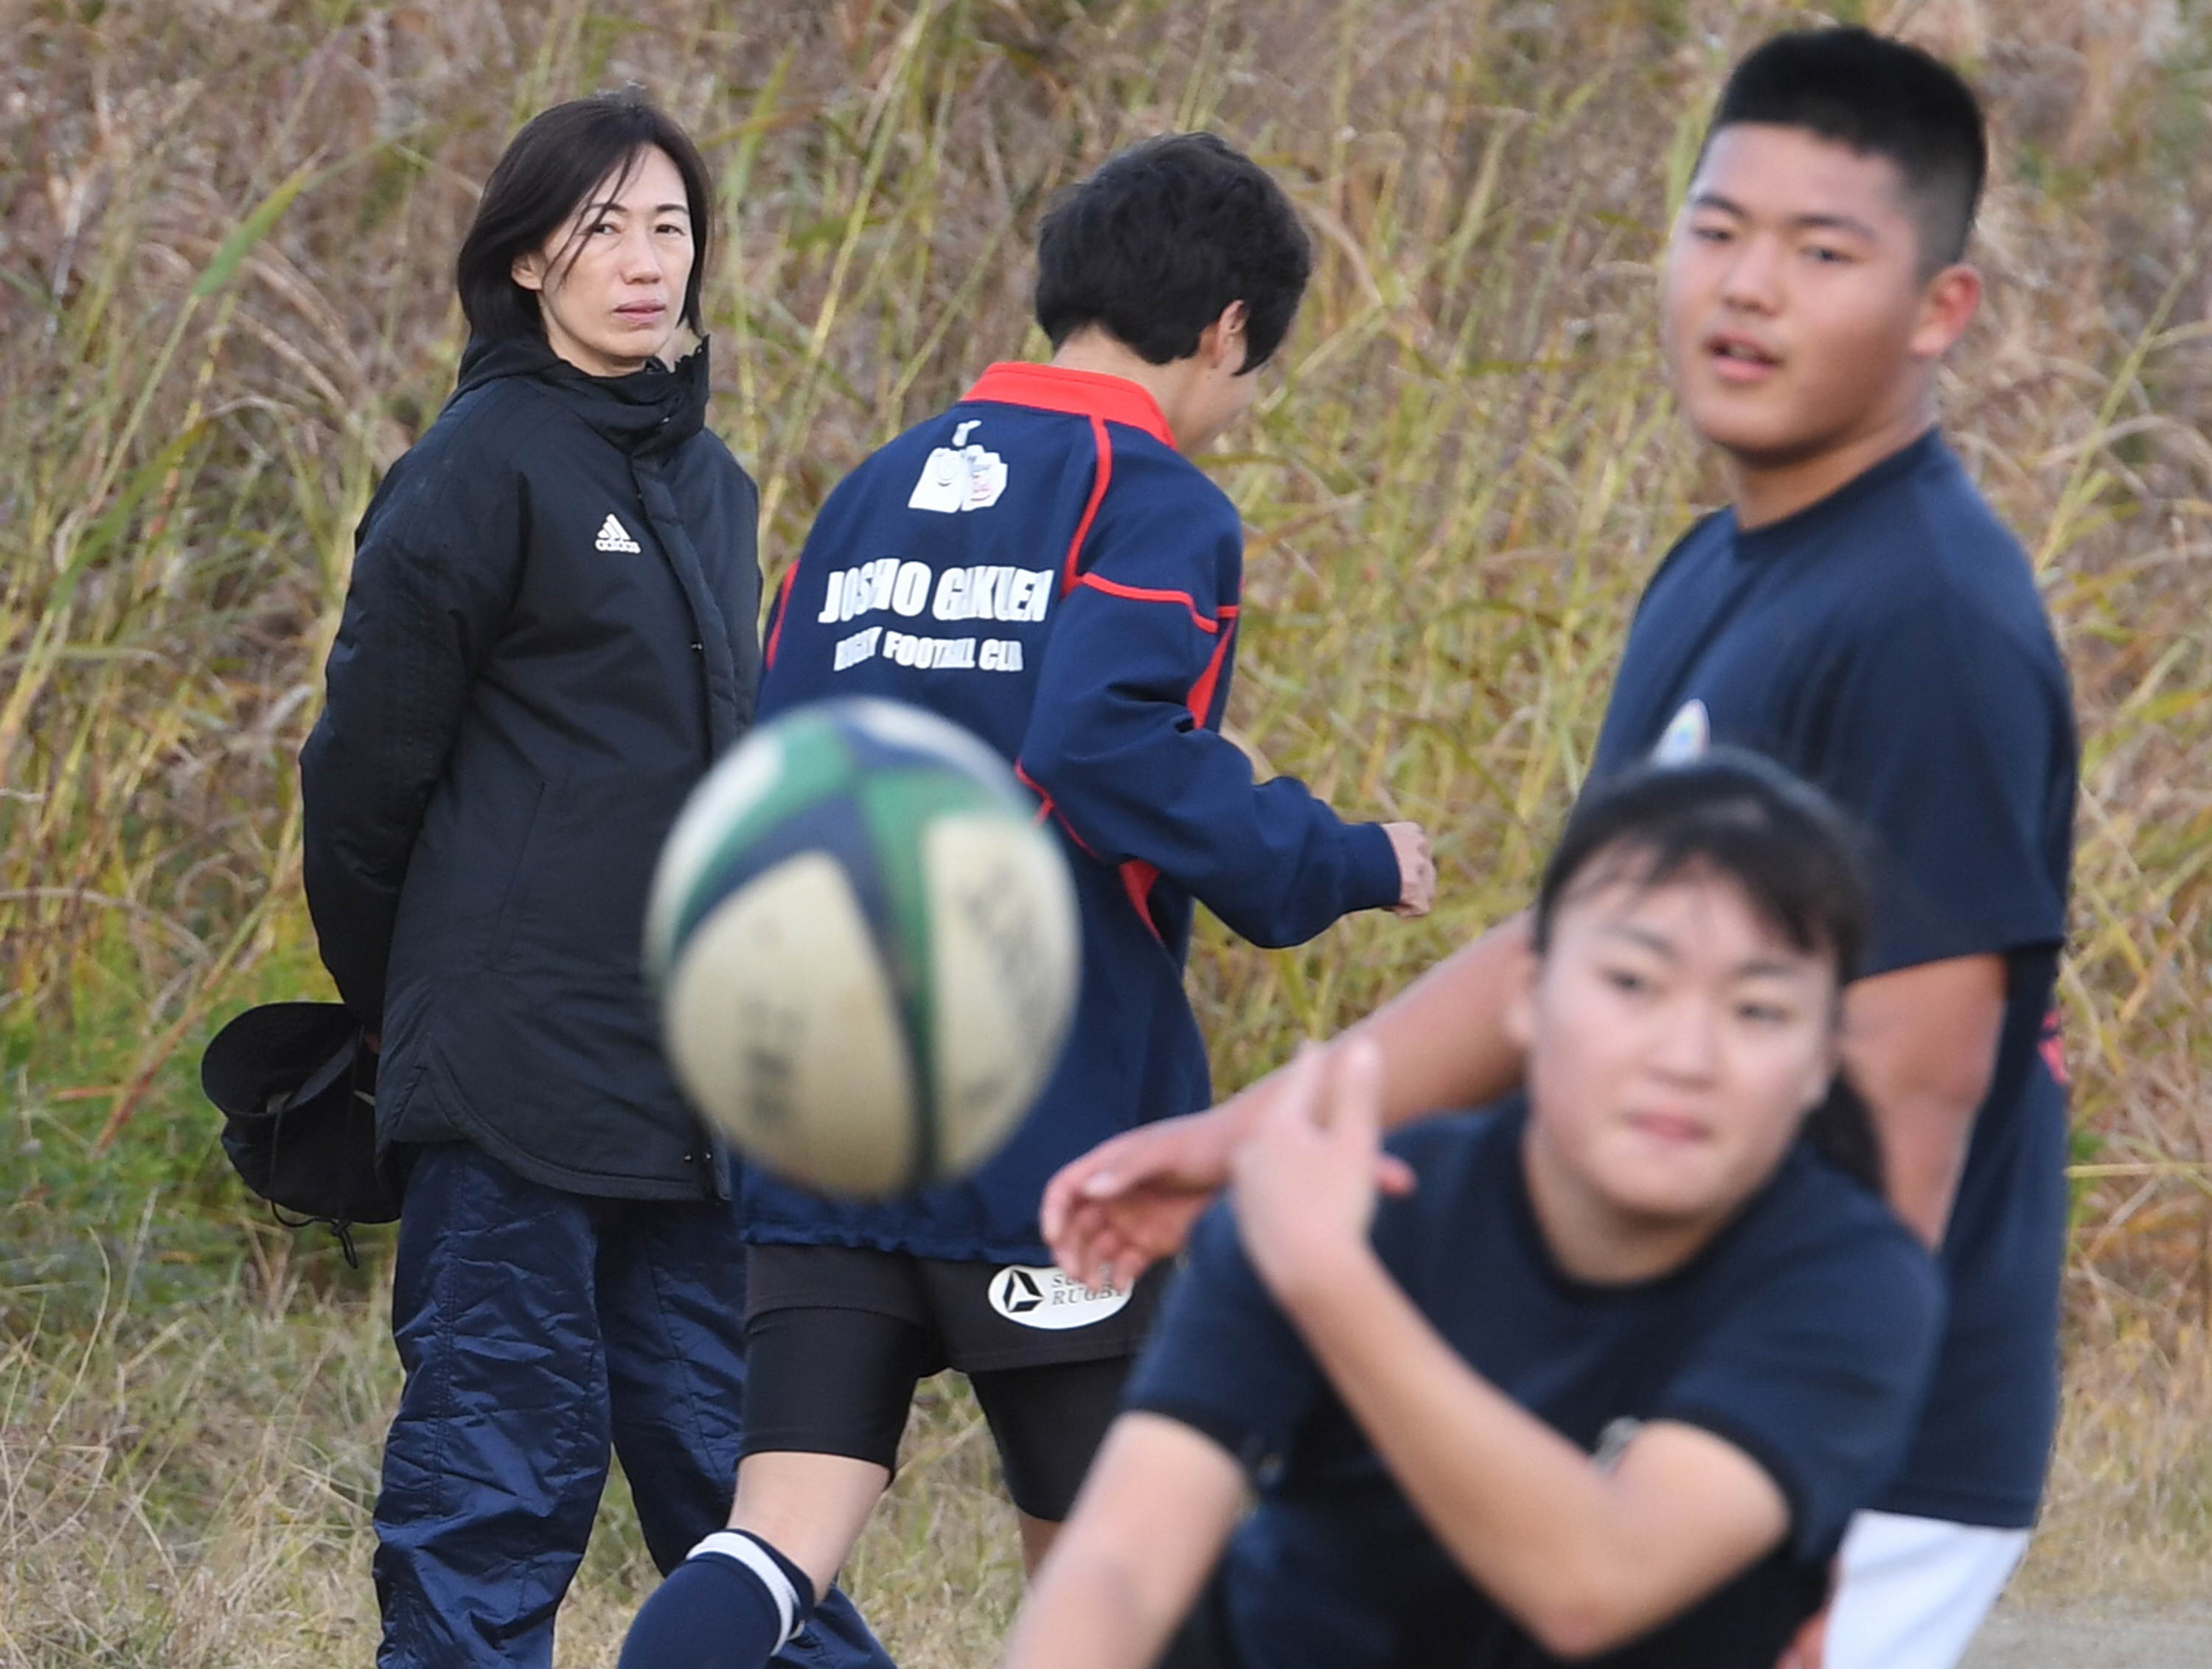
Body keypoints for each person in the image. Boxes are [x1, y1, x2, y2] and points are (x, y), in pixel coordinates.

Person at [1043, 29, 2077, 1669]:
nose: (1750, 289)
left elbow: (1914, 1087)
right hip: (1645, 1393)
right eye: (1718, 230)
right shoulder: (1717, 569)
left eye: (1824, 253)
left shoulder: (1929, 618)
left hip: (1826, 1437)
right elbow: (1561, 957)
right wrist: (1239, 1139)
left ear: (1937, 310)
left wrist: (1822, 1543)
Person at [616, 131, 1435, 1669]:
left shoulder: (864, 496)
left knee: (776, 1534)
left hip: (827, 1112)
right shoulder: (1158, 501)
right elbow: (1102, 748)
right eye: (1256, 377)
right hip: (1045, 1133)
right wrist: (1342, 858)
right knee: (1118, 1575)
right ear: (1229, 333)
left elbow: (787, 759)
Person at [299, 93, 891, 1669]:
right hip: (512, 1063)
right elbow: (364, 778)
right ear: (523, 259)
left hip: (689, 1068)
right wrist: (396, 1008)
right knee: (499, 1472)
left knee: (737, 1469)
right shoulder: (477, 465)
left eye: (670, 226)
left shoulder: (714, 484)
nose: (642, 262)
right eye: (602, 227)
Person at [1005, 751, 1945, 1669]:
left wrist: (1331, 1279)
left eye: (1758, 1010)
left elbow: (1596, 1581)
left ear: (1824, 1056)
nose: (1687, 1056)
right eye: (1633, 983)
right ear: (1528, 996)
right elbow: (1119, 1566)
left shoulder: (1850, 1283)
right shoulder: (1359, 1201)